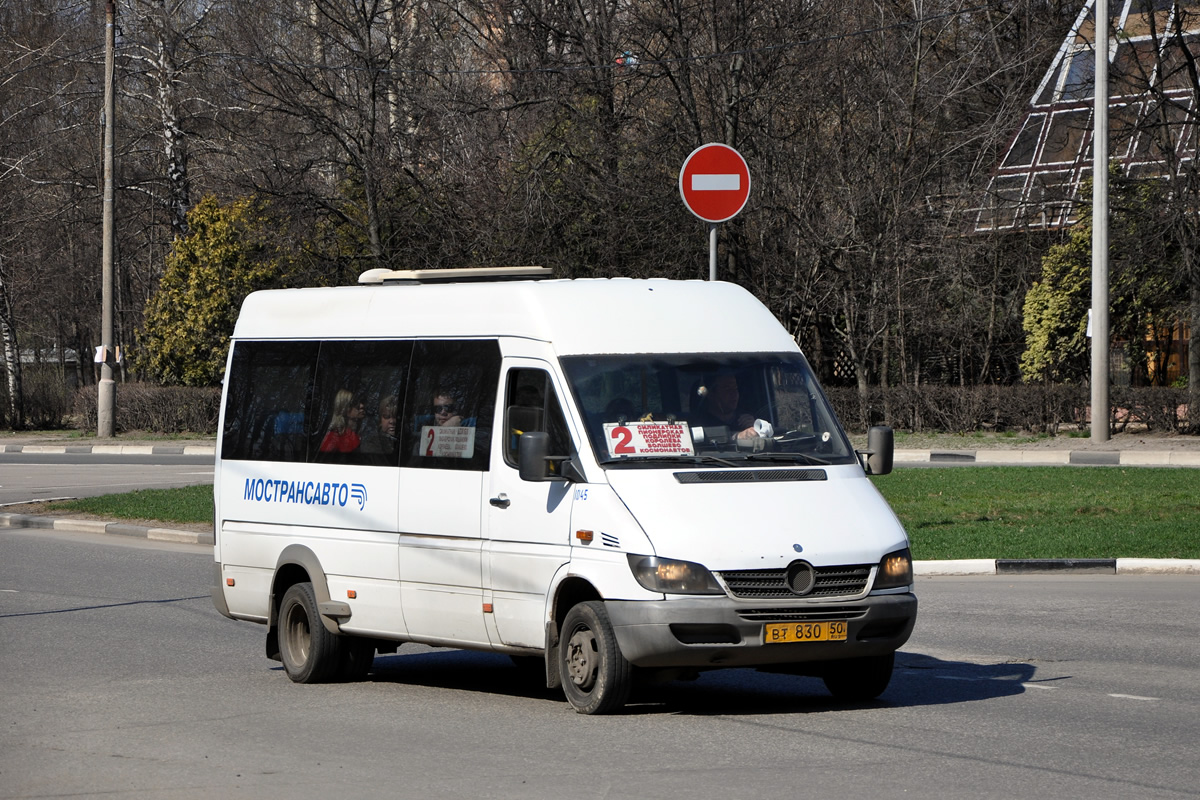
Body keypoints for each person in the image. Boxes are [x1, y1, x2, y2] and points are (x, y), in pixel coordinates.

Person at [694, 373, 757, 440]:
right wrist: (737, 436)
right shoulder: (701, 424)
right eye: (727, 389)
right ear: (711, 394)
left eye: (735, 388)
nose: (733, 393)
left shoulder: (744, 418)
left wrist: (755, 427)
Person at [320, 389, 365, 453]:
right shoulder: (334, 437)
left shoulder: (353, 434)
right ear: (345, 408)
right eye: (354, 404)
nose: (360, 406)